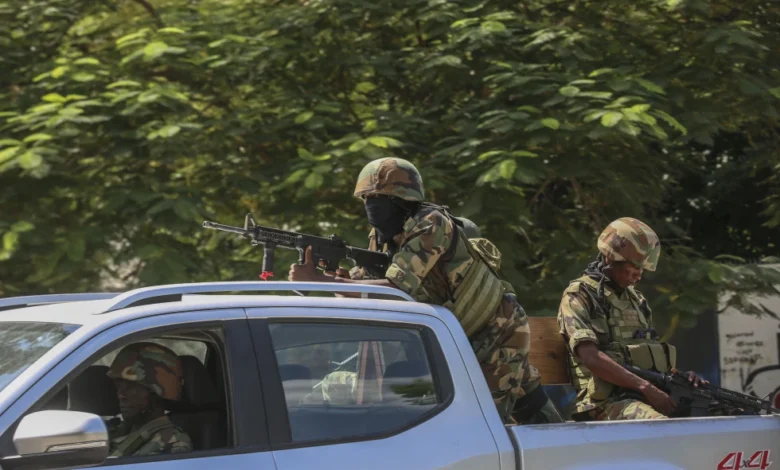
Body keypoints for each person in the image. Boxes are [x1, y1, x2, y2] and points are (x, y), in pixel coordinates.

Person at [287, 157, 563, 425]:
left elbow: (396, 290)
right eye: (366, 200)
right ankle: (571, 450)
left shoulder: (431, 223)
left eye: (378, 199)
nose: (370, 206)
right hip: (460, 330)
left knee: (482, 423)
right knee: (529, 399)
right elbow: (366, 291)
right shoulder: (382, 235)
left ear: (402, 200)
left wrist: (324, 283)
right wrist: (339, 281)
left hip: (495, 329)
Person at [557, 217, 708, 421]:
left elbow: (644, 354)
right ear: (610, 257)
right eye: (635, 266)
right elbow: (590, 357)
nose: (639, 275)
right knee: (662, 425)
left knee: (717, 416)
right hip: (604, 404)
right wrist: (645, 387)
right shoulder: (580, 295)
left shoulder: (637, 300)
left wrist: (681, 378)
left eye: (643, 269)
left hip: (641, 397)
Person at [105, 342, 193, 457]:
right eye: (118, 386)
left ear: (156, 392)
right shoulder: (118, 430)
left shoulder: (172, 443)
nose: (120, 395)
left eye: (130, 386)